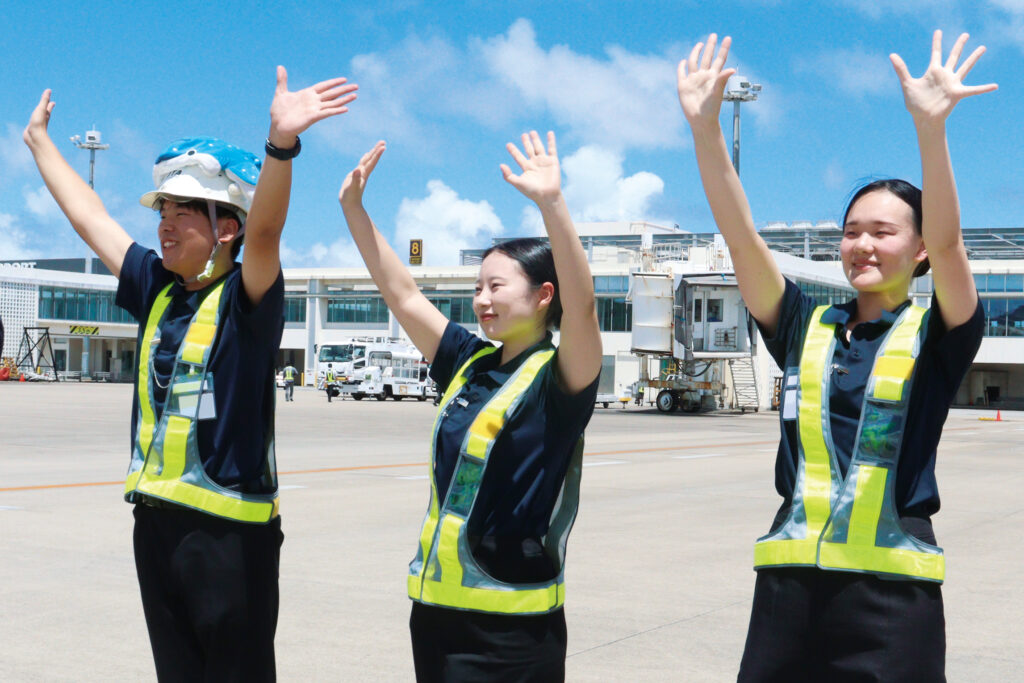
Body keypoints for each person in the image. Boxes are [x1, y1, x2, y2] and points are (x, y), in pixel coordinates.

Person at [23, 67, 357, 680]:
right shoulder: (156, 288)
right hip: (154, 526)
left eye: (184, 211)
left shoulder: (246, 299)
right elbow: (89, 216)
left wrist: (281, 146)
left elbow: (268, 233)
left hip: (228, 540)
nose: (165, 223)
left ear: (226, 229)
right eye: (163, 210)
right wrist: (41, 144)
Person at [677, 32, 993, 679]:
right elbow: (741, 240)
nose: (863, 244)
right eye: (852, 231)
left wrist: (931, 132)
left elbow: (954, 243)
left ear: (919, 249)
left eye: (883, 232)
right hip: (789, 594)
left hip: (889, 605)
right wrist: (706, 131)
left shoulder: (938, 333)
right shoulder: (804, 325)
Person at [340, 132, 602, 681]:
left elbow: (584, 309)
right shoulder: (469, 361)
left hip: (511, 632)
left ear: (544, 295)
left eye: (497, 286)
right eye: (478, 287)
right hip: (436, 617)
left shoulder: (560, 378)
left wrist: (552, 203)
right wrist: (354, 212)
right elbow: (404, 294)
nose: (482, 299)